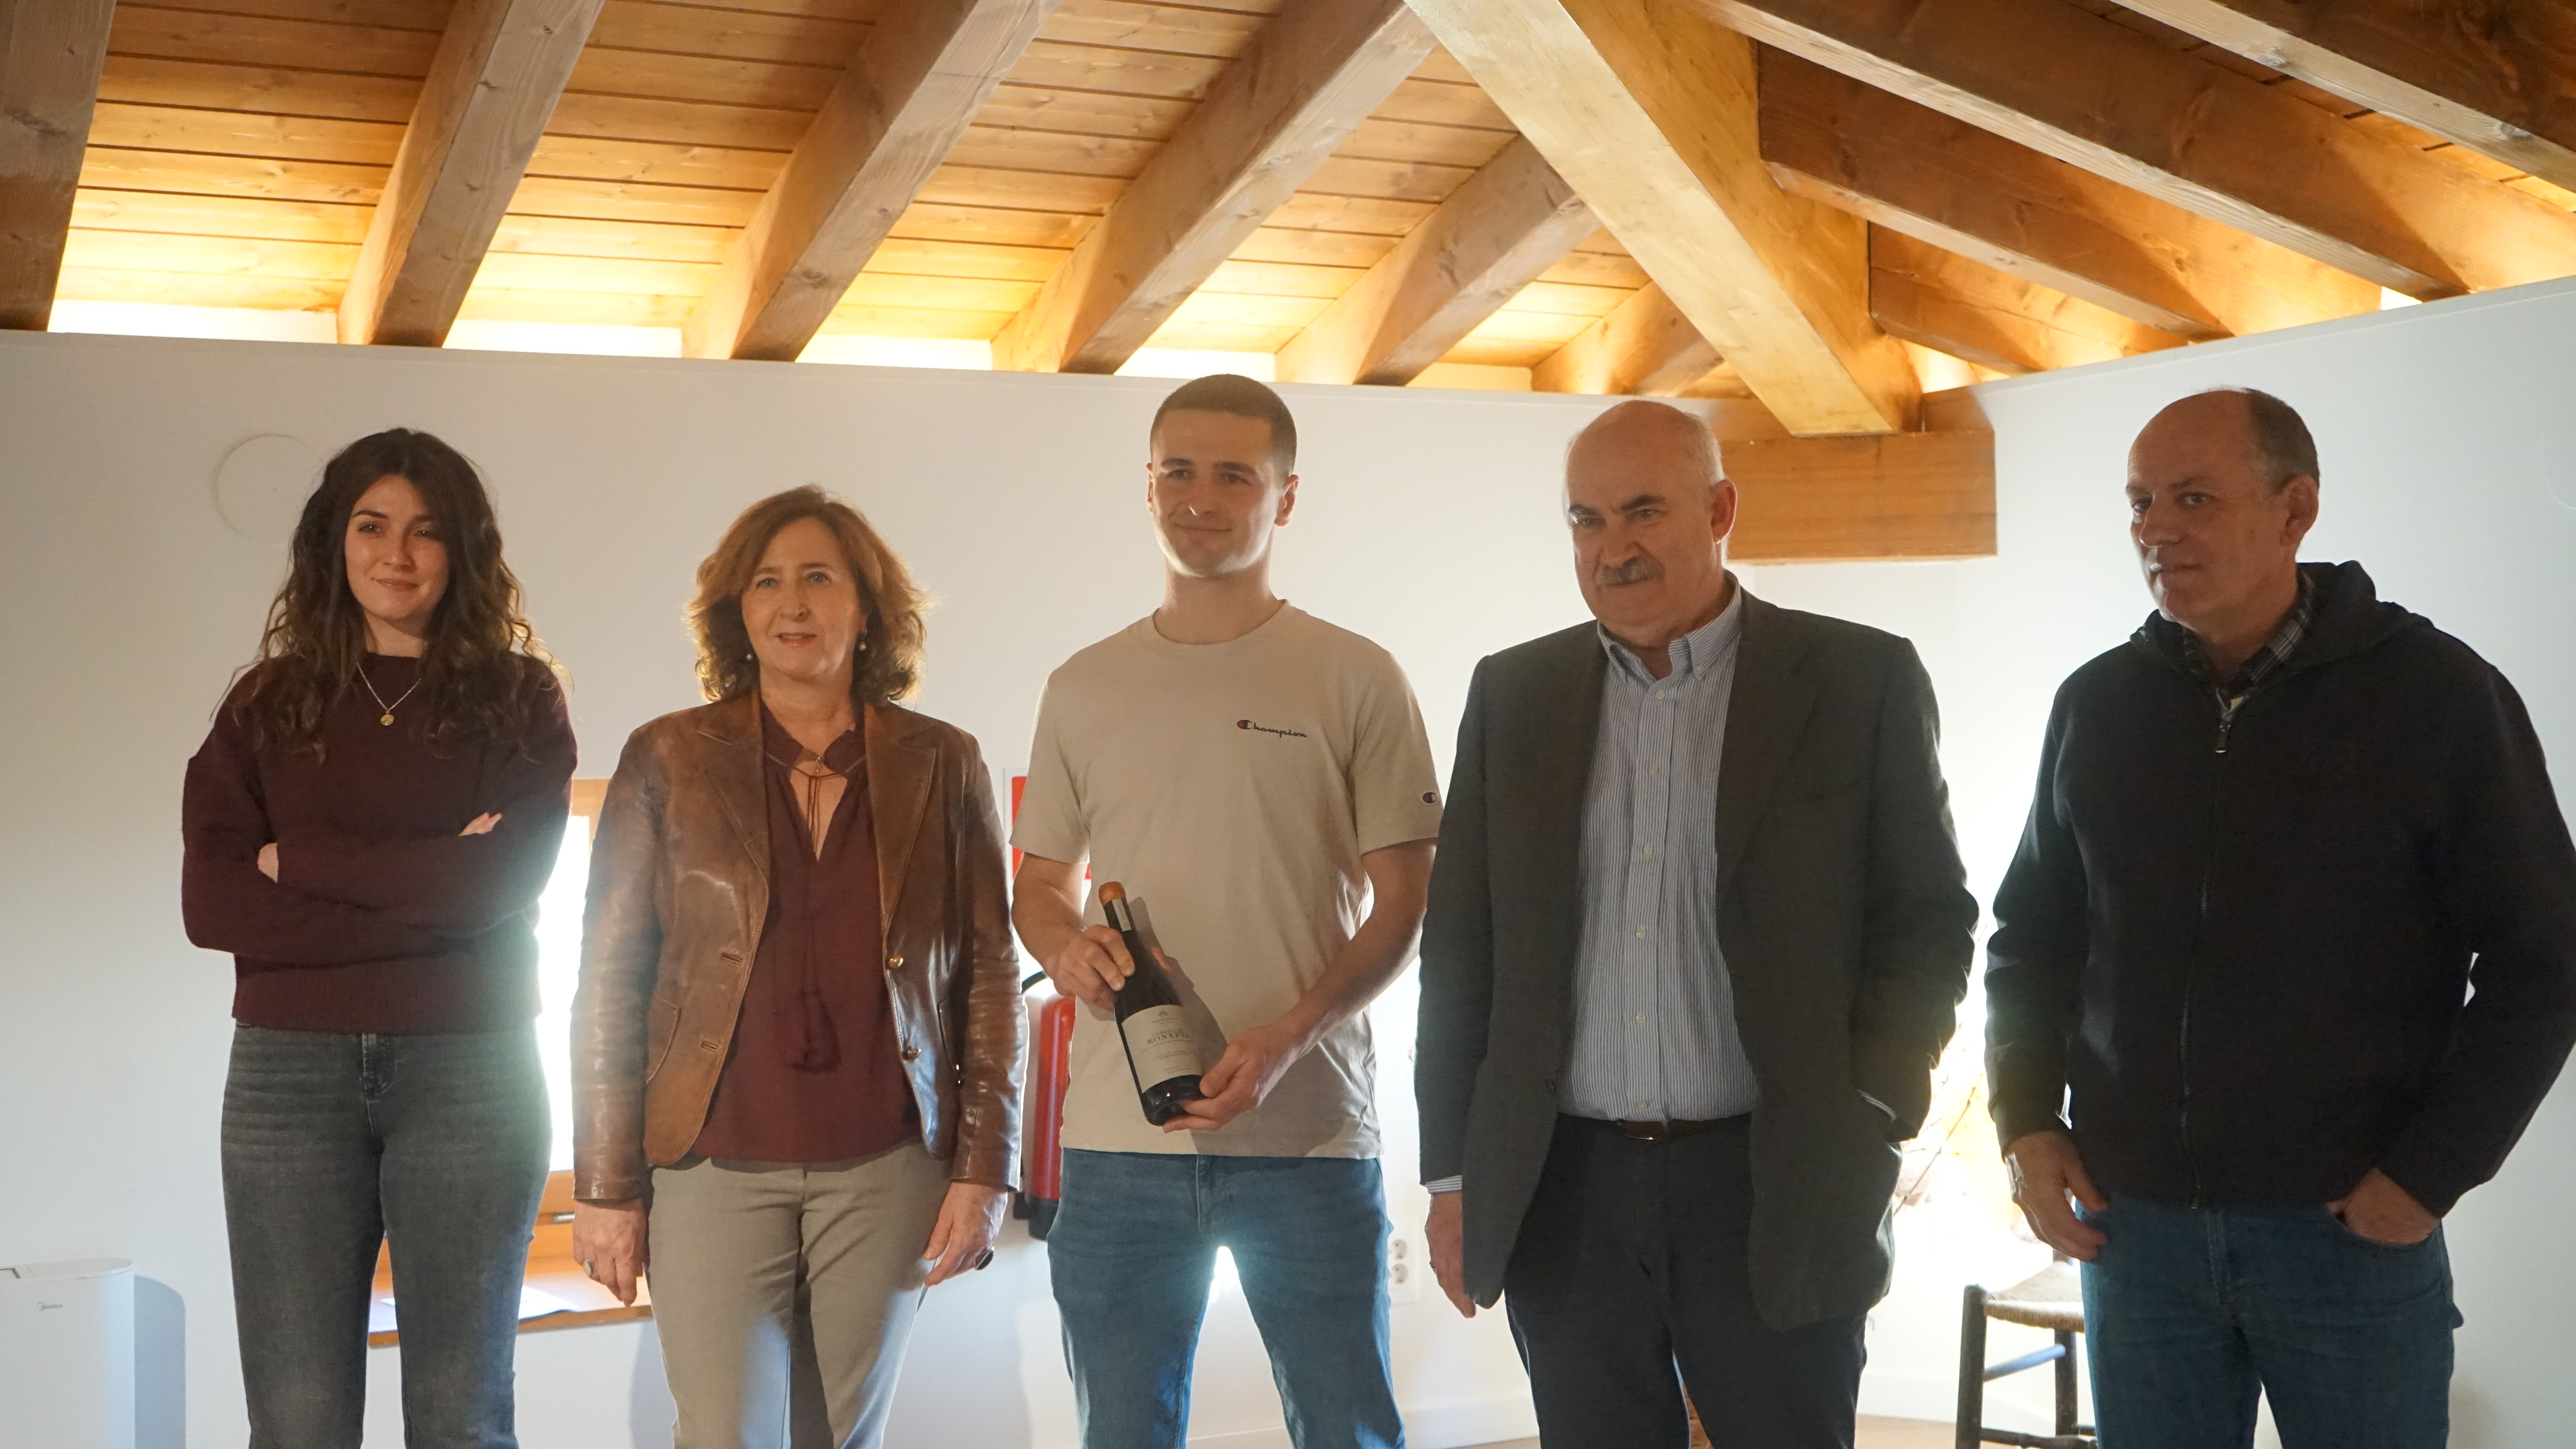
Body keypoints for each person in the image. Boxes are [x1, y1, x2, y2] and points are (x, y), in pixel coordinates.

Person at [1986, 388, 2576, 1449]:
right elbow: (2032, 938)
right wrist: (2026, 1120)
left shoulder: (2439, 696)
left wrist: (2432, 1171)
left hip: (2347, 1230)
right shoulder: (2096, 705)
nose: (2156, 528)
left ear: (2295, 509)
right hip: (2139, 1235)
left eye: (2195, 498)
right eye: (2140, 503)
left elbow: (2550, 957)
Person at [1415, 400, 1975, 1449]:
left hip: (1775, 1173)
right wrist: (1452, 1173)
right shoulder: (1513, 692)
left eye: (1642, 512)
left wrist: (1869, 1106)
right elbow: (1461, 952)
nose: (1612, 548)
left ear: (1720, 509)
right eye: (1586, 520)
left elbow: (1928, 919)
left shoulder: (1858, 678)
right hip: (1562, 1188)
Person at [1012, 374, 1441, 1449]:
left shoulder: (1355, 676)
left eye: (1235, 475)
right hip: (1117, 1145)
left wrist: (1291, 1037)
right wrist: (1065, 949)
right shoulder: (1083, 685)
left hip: (1311, 1137)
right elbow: (1039, 884)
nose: (1201, 497)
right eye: (1179, 471)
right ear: (1147, 485)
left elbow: (1405, 901)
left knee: (1347, 1429)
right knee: (1122, 1433)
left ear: (1285, 497)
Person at [569, 487, 1025, 1449]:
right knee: (727, 1434)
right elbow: (610, 983)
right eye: (767, 581)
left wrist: (985, 1169)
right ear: (738, 611)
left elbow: (989, 974)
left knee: (840, 1440)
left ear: (867, 607)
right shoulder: (669, 757)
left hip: (891, 1164)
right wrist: (605, 1185)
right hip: (710, 1164)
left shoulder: (944, 762)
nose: (793, 601)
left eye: (819, 576)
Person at [182, 428, 576, 1448]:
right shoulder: (265, 703)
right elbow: (214, 905)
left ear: (465, 552)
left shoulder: (522, 700)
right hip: (286, 1078)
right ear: (333, 541)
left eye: (426, 531)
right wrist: (435, 880)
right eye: (372, 525)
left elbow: (500, 884)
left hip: (475, 1073)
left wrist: (299, 860)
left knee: (461, 1416)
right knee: (299, 1422)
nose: (396, 554)